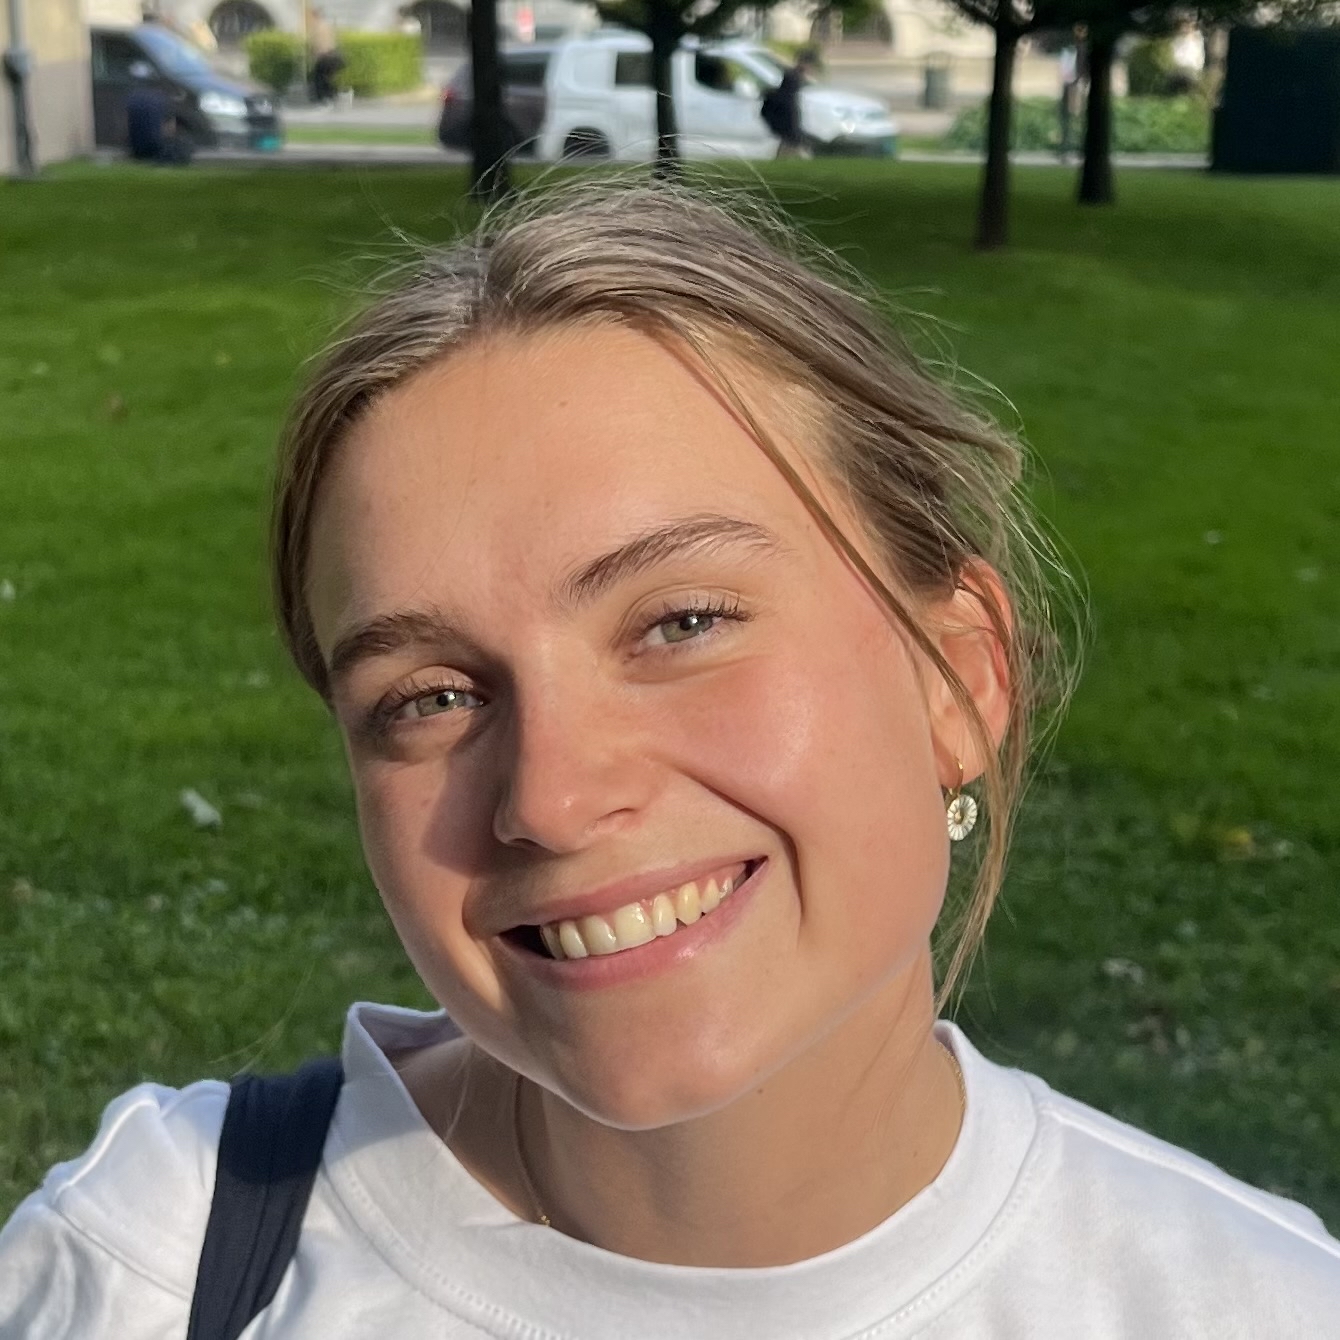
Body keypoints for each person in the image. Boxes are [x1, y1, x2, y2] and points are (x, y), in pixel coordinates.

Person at [1, 180, 1338, 1336]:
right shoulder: (155, 1269)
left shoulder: (1251, 1306)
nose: (551, 796)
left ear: (959, 678)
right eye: (429, 697)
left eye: (682, 622)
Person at [761, 48, 818, 158]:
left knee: (785, 151)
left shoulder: (794, 77)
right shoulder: (793, 78)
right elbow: (787, 103)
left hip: (787, 127)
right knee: (795, 151)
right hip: (788, 127)